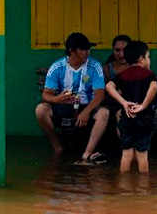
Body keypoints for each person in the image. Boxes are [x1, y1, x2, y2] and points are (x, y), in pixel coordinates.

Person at [35, 32, 110, 164]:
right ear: (72, 51)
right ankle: (58, 148)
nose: (87, 53)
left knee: (104, 113)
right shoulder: (58, 67)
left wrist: (86, 112)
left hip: (87, 106)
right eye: (83, 50)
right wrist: (57, 99)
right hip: (64, 107)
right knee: (41, 110)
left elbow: (100, 94)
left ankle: (87, 153)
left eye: (88, 49)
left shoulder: (94, 66)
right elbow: (46, 94)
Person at [105, 41, 157, 173]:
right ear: (141, 58)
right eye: (148, 57)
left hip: (127, 117)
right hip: (144, 119)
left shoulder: (122, 75)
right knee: (142, 155)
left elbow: (108, 86)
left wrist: (123, 102)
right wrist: (143, 105)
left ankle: (124, 185)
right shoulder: (148, 74)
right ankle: (143, 187)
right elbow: (154, 86)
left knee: (126, 154)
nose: (149, 60)